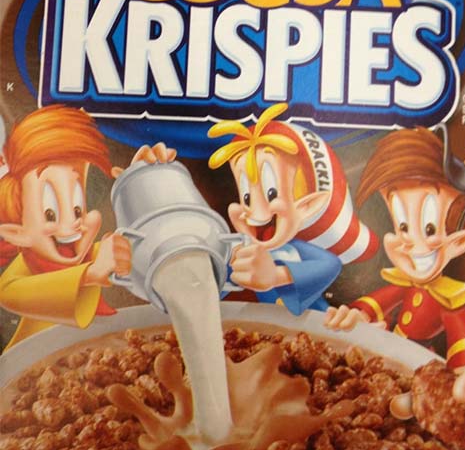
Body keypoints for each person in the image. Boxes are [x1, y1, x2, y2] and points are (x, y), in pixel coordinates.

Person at [325, 125, 465, 433]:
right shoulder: (401, 284)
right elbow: (381, 300)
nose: (410, 243)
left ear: (461, 241)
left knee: (417, 396)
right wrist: (359, 314)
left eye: (429, 229)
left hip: (420, 365)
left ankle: (421, 399)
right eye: (403, 227)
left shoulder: (448, 300)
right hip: (386, 357)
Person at [0, 105, 174, 350]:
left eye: (77, 210)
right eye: (50, 214)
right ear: (17, 233)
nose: (72, 224)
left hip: (96, 354)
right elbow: (12, 294)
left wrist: (138, 182)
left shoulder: (94, 255)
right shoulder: (12, 284)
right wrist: (92, 272)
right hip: (26, 367)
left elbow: (142, 247)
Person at [208, 103, 378, 314]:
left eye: (271, 194)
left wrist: (276, 275)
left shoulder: (297, 250)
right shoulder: (242, 251)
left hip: (314, 324)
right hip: (261, 326)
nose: (255, 212)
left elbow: (330, 265)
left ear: (307, 206)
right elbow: (213, 285)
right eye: (247, 197)